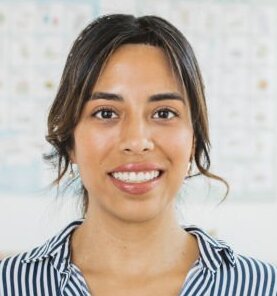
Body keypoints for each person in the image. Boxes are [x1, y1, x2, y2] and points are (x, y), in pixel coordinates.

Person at [0, 14, 276, 296]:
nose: (136, 141)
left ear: (193, 139)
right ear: (70, 140)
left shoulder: (262, 286)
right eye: (106, 113)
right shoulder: (10, 285)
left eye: (164, 113)